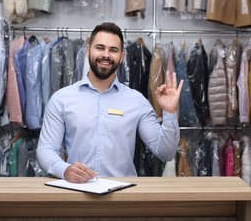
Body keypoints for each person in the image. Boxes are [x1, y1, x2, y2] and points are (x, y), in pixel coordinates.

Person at [37, 22, 183, 183]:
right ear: (88, 50)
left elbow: (165, 153)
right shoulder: (61, 99)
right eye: (100, 47)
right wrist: (64, 170)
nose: (106, 55)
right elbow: (46, 149)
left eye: (113, 50)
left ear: (122, 56)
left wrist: (169, 113)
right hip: (77, 194)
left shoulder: (137, 101)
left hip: (123, 198)